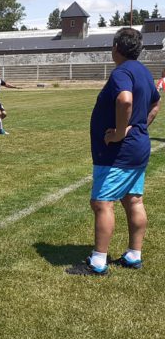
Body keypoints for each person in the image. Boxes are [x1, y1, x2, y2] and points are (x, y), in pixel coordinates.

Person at [69, 28, 160, 276]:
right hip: (138, 149)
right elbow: (155, 101)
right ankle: (134, 255)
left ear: (115, 47)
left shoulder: (122, 72)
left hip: (118, 153)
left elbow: (125, 100)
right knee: (133, 200)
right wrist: (141, 126)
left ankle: (98, 262)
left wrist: (120, 132)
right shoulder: (143, 71)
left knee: (101, 203)